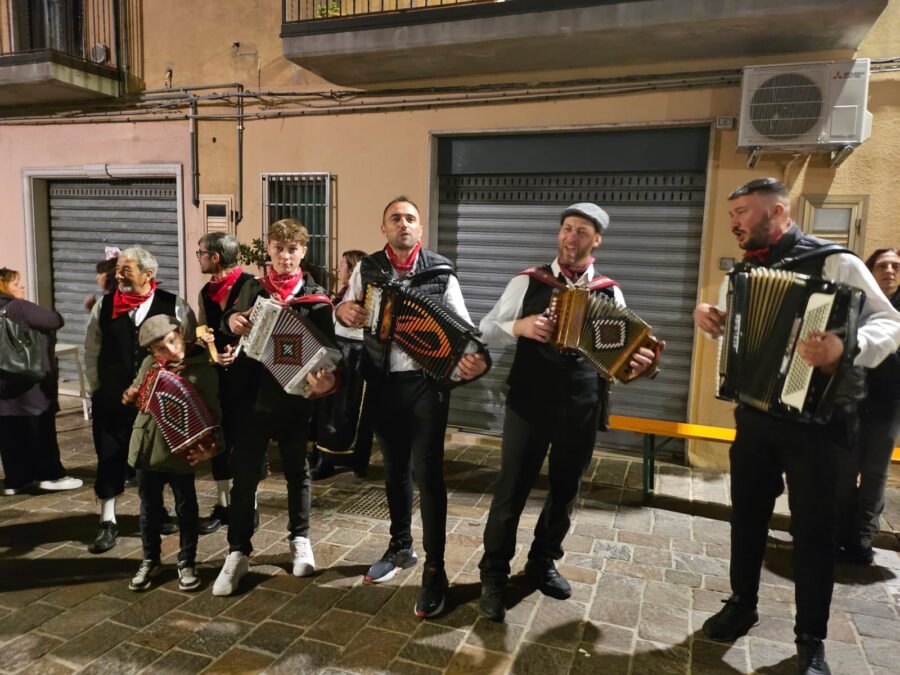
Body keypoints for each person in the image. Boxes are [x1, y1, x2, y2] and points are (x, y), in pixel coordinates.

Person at [693, 178, 900, 675]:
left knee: (814, 533)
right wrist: (712, 318)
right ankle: (741, 604)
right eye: (732, 214)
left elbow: (890, 322)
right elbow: (737, 334)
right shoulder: (745, 271)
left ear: (778, 212)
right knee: (747, 519)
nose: (734, 222)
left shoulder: (837, 263)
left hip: (821, 426)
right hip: (757, 417)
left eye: (742, 212)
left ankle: (810, 637)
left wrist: (846, 346)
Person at [476, 204, 658, 623]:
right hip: (529, 402)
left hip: (581, 404)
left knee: (565, 491)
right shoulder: (528, 281)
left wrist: (640, 365)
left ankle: (542, 562)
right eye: (566, 228)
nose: (570, 237)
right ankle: (494, 574)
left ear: (596, 240)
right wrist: (519, 327)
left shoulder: (609, 292)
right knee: (512, 489)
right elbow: (485, 328)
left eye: (581, 231)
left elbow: (621, 357)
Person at [335, 197, 488, 618]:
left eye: (410, 218)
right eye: (395, 218)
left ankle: (435, 569)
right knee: (395, 469)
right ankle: (400, 547)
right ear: (384, 228)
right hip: (383, 382)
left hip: (427, 385)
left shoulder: (440, 271)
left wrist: (471, 358)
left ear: (420, 229)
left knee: (428, 473)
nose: (403, 224)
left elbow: (464, 326)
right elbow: (343, 320)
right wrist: (341, 311)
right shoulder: (368, 269)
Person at [213, 219, 338, 596]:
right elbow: (226, 322)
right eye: (278, 248)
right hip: (250, 398)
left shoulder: (316, 299)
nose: (285, 255)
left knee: (298, 473)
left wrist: (329, 379)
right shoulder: (250, 288)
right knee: (245, 475)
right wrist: (232, 321)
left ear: (303, 252)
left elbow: (331, 352)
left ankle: (300, 539)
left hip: (294, 399)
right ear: (268, 249)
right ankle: (238, 551)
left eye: (292, 249)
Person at [84, 246, 196, 554]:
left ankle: (157, 512)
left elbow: (188, 346)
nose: (118, 275)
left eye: (125, 269)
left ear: (148, 274)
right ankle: (108, 520)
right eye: (117, 269)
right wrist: (97, 387)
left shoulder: (174, 305)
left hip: (158, 399)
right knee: (110, 456)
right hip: (113, 397)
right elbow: (92, 348)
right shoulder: (104, 306)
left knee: (154, 458)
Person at [123, 315, 221, 592]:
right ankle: (150, 559)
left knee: (186, 508)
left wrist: (213, 447)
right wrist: (131, 393)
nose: (170, 350)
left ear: (180, 333)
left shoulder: (202, 370)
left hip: (180, 449)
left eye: (172, 341)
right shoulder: (149, 364)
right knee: (149, 509)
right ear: (151, 351)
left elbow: (214, 415)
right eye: (160, 348)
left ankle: (187, 561)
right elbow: (136, 388)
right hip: (146, 448)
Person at [835, 247, 900, 565]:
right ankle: (840, 531)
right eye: (882, 266)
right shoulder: (856, 303)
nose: (889, 271)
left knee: (875, 472)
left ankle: (862, 537)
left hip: (888, 403)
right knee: (844, 469)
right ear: (870, 271)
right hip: (850, 401)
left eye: (896, 267)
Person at [194, 232, 258, 534]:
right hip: (217, 375)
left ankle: (250, 506)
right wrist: (213, 355)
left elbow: (261, 327)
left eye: (201, 253)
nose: (199, 259)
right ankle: (223, 505)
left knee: (247, 442)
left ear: (215, 257)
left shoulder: (251, 285)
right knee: (218, 438)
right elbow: (202, 330)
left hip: (248, 374)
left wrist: (238, 350)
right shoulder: (205, 291)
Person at [0, 268, 82, 495]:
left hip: (3, 388)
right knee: (40, 430)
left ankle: (16, 480)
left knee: (10, 435)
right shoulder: (17, 307)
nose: (22, 287)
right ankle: (50, 476)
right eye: (16, 283)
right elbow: (54, 320)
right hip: (29, 383)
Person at [311, 248, 373, 481]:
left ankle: (348, 459)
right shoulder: (344, 292)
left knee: (350, 410)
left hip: (354, 350)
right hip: (340, 348)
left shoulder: (363, 287)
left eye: (342, 265)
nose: (338, 269)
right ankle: (326, 457)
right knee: (330, 409)